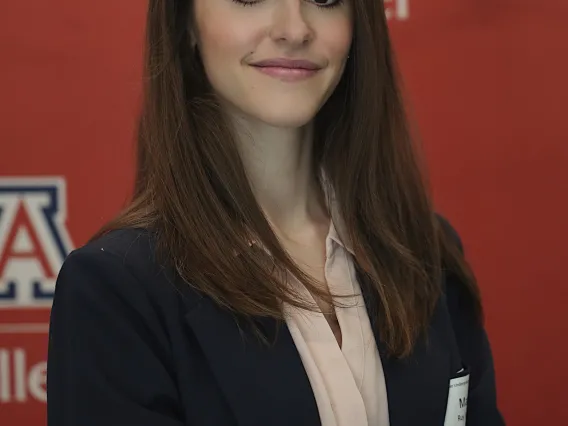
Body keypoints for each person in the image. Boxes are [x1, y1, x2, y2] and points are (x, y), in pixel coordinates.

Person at [47, 0, 504, 425]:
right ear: (185, 21)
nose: (294, 29)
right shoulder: (116, 291)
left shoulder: (426, 254)